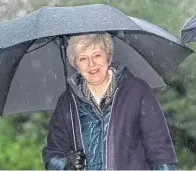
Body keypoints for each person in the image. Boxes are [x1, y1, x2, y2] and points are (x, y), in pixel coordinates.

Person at [42, 32, 176, 170]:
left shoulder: (137, 91)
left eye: (97, 55)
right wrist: (65, 164)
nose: (91, 63)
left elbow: (161, 152)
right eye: (83, 58)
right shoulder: (66, 103)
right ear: (75, 64)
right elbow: (52, 155)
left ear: (109, 57)